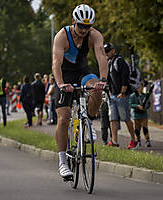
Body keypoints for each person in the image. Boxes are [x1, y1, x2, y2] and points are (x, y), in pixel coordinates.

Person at [52, 4, 108, 179]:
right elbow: (56, 64)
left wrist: (103, 80)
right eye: (81, 26)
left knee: (96, 91)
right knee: (64, 117)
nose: (84, 30)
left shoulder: (94, 35)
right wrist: (61, 84)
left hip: (83, 72)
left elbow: (101, 57)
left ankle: (88, 122)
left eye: (87, 26)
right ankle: (62, 162)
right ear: (73, 21)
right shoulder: (62, 36)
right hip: (64, 75)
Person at [104, 42, 137, 149]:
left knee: (126, 118)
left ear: (113, 50)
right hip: (112, 95)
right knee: (112, 119)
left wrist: (123, 92)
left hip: (121, 95)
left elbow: (125, 77)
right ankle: (114, 141)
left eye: (108, 51)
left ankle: (133, 139)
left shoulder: (120, 61)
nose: (106, 53)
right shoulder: (109, 62)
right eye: (105, 52)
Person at [130, 80, 151, 147]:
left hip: (143, 115)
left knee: (145, 128)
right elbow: (130, 104)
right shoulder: (133, 96)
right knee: (137, 129)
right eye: (138, 87)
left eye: (141, 86)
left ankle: (147, 140)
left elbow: (148, 103)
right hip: (136, 115)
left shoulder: (145, 95)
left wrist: (145, 107)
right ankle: (138, 140)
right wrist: (137, 106)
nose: (140, 88)